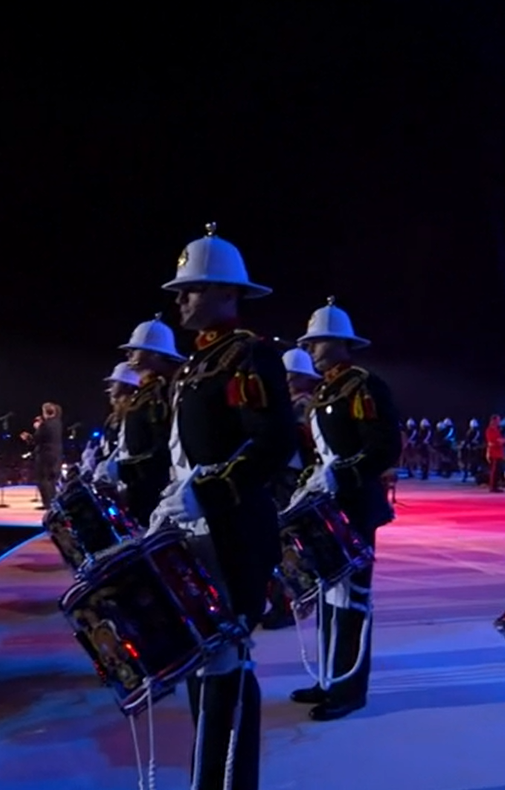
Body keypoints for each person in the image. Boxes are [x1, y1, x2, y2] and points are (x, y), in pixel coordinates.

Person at [149, 222, 295, 790]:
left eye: (191, 289)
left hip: (231, 529)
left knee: (227, 663)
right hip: (195, 527)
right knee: (202, 656)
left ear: (225, 293)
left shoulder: (249, 357)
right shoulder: (194, 367)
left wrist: (207, 490)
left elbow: (274, 442)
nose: (180, 299)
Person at [288, 297, 401, 721]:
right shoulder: (327, 391)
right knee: (328, 595)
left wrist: (345, 474)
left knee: (352, 598)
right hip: (328, 506)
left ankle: (350, 688)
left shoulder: (363, 385)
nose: (311, 349)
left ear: (340, 344)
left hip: (354, 505)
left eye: (318, 342)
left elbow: (384, 446)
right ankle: (330, 678)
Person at [259, 346, 324, 631]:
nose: (285, 381)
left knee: (287, 546)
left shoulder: (302, 407)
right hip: (281, 479)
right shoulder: (291, 406)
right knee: (276, 544)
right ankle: (281, 600)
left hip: (292, 480)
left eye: (291, 377)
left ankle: (287, 602)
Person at [109, 315, 184, 526]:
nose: (128, 353)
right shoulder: (146, 393)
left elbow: (162, 446)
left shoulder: (160, 394)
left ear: (154, 354)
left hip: (152, 487)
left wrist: (127, 470)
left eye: (135, 349)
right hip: (138, 485)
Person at [21, 402, 64, 508]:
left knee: (43, 479)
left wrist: (28, 436)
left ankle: (47, 503)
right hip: (56, 453)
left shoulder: (45, 425)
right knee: (52, 479)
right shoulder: (57, 423)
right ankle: (53, 502)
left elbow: (37, 440)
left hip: (45, 454)